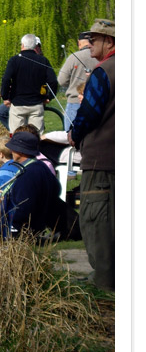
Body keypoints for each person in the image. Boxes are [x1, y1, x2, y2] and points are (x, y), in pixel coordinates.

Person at [68, 18, 115, 291]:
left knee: (96, 219)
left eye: (95, 39)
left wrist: (75, 132)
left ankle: (104, 284)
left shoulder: (103, 71)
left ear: (109, 42)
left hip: (102, 161)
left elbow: (90, 113)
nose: (89, 44)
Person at [0, 34, 58, 134]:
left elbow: (6, 79)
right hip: (36, 104)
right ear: (35, 46)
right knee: (36, 136)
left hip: (18, 104)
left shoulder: (14, 60)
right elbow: (52, 81)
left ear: (22, 45)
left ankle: (18, 149)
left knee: (16, 136)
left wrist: (5, 97)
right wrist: (49, 96)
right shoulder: (43, 60)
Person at [58, 32, 99, 131]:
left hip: (74, 102)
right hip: (97, 103)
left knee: (71, 136)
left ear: (79, 43)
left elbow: (61, 81)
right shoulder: (100, 57)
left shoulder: (73, 57)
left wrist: (73, 82)